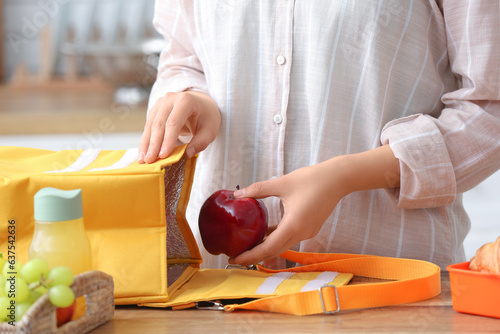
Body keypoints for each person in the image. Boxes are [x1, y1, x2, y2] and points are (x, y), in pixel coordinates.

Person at [138, 1, 500, 270]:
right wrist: (197, 99)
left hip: (383, 288)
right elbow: (182, 58)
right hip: (218, 290)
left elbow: (490, 108)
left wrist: (345, 176)